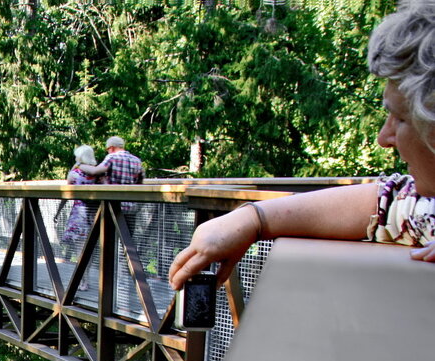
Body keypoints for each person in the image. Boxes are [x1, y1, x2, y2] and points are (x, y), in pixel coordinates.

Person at [169, 3, 435, 291]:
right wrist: (252, 219)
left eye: (400, 118)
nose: (384, 138)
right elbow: (383, 205)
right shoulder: (427, 211)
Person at [63, 144, 101, 250]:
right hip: (96, 210)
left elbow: (68, 188)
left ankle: (82, 266)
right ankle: (92, 266)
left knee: (80, 245)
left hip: (80, 211)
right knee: (94, 243)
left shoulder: (74, 173)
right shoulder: (98, 172)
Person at [77, 136, 144, 186]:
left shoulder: (112, 157)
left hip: (114, 200)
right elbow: (140, 182)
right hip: (132, 201)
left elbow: (95, 171)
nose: (107, 151)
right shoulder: (137, 160)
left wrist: (79, 165)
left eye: (107, 149)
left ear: (111, 148)